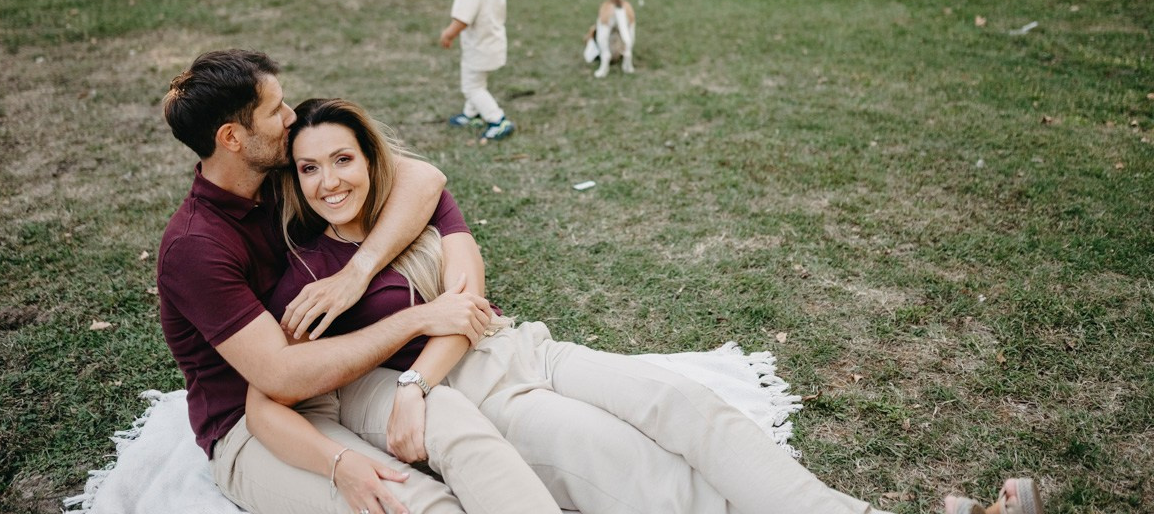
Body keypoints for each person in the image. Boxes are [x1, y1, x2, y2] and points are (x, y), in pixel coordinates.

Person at [254, 97, 1044, 514]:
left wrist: (419, 366)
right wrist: (425, 382)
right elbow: (303, 377)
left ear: (368, 157)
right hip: (478, 402)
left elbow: (471, 298)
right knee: (640, 473)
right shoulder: (300, 266)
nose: (330, 182)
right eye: (311, 168)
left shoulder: (409, 204)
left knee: (684, 404)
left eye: (343, 159)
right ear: (293, 178)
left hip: (521, 350)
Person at [157, 49, 563, 514]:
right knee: (409, 502)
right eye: (275, 110)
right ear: (232, 137)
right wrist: (340, 461)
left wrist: (358, 271)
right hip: (253, 424)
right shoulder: (194, 246)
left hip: (349, 379)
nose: (291, 117)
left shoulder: (282, 174)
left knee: (453, 426)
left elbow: (423, 177)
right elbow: (279, 376)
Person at [436, 0, 514, 141]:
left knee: (472, 87)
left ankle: (497, 119)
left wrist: (448, 33)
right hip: (494, 40)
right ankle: (472, 114)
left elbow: (463, 18)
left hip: (479, 45)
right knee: (478, 81)